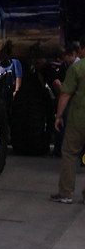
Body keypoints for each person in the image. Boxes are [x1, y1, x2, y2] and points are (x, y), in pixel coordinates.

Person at [51, 55, 85, 203]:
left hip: (79, 118)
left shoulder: (77, 67)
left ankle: (66, 193)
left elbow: (65, 93)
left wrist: (58, 116)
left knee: (70, 154)